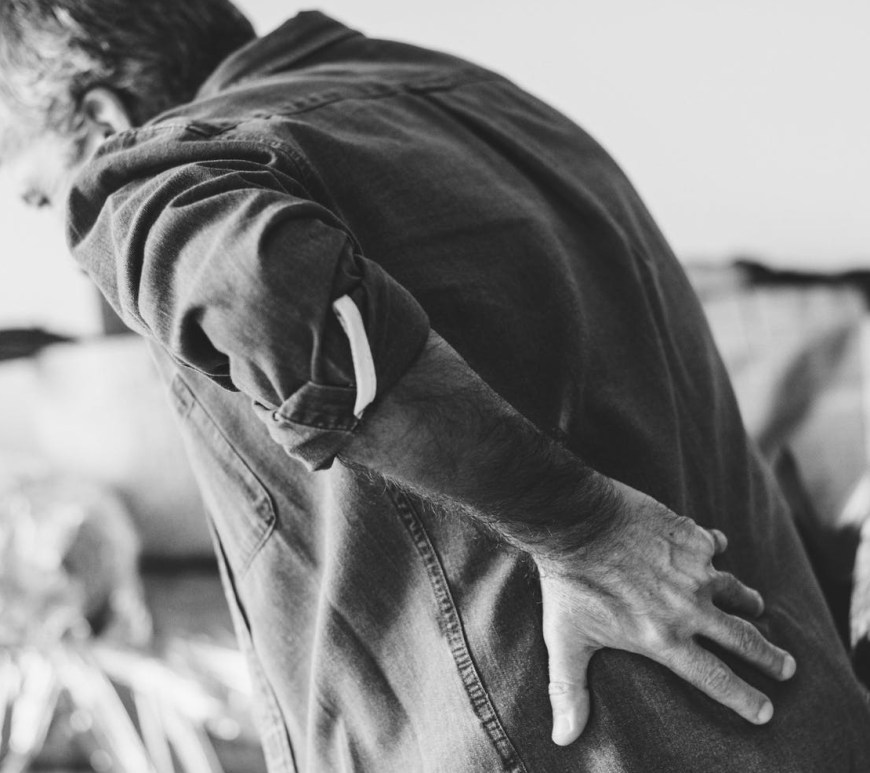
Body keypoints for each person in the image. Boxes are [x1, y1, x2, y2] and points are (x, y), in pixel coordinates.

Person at [1, 2, 868, 770]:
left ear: (104, 116)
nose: (63, 232)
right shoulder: (486, 103)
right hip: (802, 719)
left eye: (39, 194)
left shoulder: (158, 175)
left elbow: (258, 289)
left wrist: (583, 526)